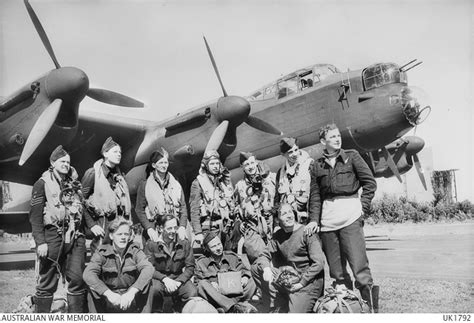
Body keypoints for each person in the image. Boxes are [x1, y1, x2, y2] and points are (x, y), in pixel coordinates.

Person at [308, 123, 379, 312]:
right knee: (338, 273)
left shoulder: (353, 156)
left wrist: (361, 207)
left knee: (360, 270)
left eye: (338, 135)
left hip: (351, 218)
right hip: (328, 223)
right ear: (323, 141)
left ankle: (371, 311)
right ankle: (349, 309)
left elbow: (370, 183)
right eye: (332, 137)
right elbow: (315, 196)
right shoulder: (316, 165)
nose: (338, 139)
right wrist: (314, 220)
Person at [29, 145, 87, 313]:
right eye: (62, 161)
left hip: (75, 235)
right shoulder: (41, 184)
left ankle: (75, 316)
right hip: (52, 236)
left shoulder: (74, 184)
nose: (66, 165)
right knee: (47, 280)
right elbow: (35, 216)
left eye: (68, 162)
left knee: (77, 278)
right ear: (53, 162)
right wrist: (40, 242)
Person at [251, 203, 325, 313]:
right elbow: (263, 255)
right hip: (289, 278)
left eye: (290, 212)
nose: (289, 216)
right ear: (277, 219)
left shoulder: (306, 233)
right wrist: (266, 269)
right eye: (284, 213)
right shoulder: (278, 235)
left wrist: (301, 283)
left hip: (308, 283)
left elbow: (319, 263)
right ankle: (279, 302)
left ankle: (296, 301)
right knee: (256, 268)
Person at [83, 219, 154, 313]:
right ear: (111, 236)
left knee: (148, 283)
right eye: (119, 234)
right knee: (92, 287)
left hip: (130, 297)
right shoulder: (101, 253)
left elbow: (148, 268)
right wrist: (108, 294)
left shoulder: (135, 251)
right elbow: (88, 274)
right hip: (109, 298)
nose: (123, 237)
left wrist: (132, 292)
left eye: (126, 234)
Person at [81, 137, 131, 255]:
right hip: (102, 222)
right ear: (105, 153)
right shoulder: (92, 174)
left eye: (120, 152)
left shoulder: (119, 176)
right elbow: (79, 200)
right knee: (100, 256)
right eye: (115, 152)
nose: (119, 154)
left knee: (118, 256)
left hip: (119, 221)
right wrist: (92, 225)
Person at [144, 214, 197, 312]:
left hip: (178, 278)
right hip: (159, 279)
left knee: (192, 291)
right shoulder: (151, 244)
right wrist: (164, 279)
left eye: (175, 227)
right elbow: (148, 268)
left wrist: (179, 281)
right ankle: (157, 312)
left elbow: (190, 267)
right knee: (154, 289)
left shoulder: (184, 243)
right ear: (160, 228)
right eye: (169, 228)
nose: (173, 231)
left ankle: (181, 311)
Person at [194, 231, 257, 313]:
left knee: (253, 278)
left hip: (236, 293)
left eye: (219, 244)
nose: (218, 248)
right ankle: (234, 307)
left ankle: (230, 306)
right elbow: (197, 283)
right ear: (207, 249)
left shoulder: (232, 257)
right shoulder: (201, 263)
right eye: (213, 246)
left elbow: (244, 270)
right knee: (202, 284)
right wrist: (211, 284)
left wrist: (245, 276)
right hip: (217, 296)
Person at [135, 148, 188, 243]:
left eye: (166, 163)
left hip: (173, 230)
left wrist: (182, 226)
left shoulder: (175, 184)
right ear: (154, 165)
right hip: (155, 230)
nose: (164, 166)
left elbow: (183, 206)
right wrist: (149, 228)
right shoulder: (144, 185)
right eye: (161, 163)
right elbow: (139, 209)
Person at [234, 151, 275, 263]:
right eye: (246, 164)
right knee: (260, 259)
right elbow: (236, 207)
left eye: (252, 163)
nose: (250, 167)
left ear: (256, 162)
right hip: (253, 227)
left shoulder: (271, 178)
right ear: (242, 167)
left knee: (276, 258)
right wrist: (240, 222)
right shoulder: (240, 186)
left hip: (271, 223)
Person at [189, 150, 236, 248]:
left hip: (226, 228)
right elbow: (194, 210)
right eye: (212, 164)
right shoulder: (198, 183)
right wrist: (198, 232)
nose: (215, 166)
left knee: (229, 257)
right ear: (206, 165)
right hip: (209, 228)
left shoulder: (224, 181)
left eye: (217, 163)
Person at [274, 137, 314, 229]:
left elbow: (315, 195)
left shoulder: (309, 166)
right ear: (283, 154)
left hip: (306, 220)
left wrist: (314, 220)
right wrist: (276, 225)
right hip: (289, 223)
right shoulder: (281, 173)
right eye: (290, 152)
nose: (295, 154)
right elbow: (277, 201)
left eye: (296, 150)